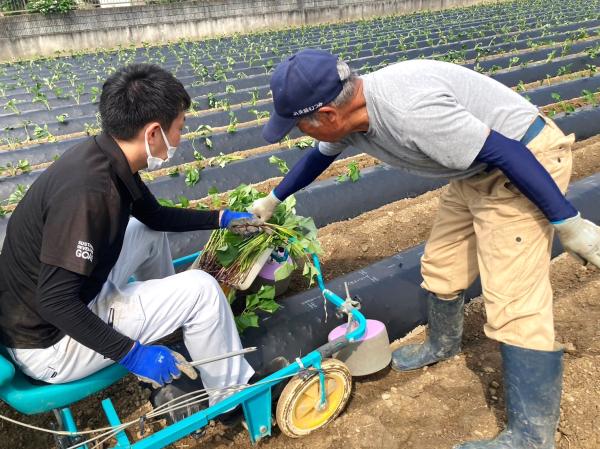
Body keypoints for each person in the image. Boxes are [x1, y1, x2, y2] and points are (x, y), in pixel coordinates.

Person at [249, 49, 600, 448]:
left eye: (299, 127)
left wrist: (567, 223)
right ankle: (442, 343)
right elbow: (317, 159)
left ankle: (531, 437)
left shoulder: (410, 111)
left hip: (524, 165)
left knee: (514, 298)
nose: (301, 134)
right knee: (442, 264)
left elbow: (509, 152)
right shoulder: (349, 115)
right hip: (473, 169)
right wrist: (274, 199)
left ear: (328, 115)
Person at [0, 64, 261, 406]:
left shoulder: (104, 155)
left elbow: (155, 216)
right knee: (202, 290)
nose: (181, 138)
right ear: (154, 132)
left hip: (41, 310)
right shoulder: (91, 195)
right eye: (180, 127)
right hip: (48, 345)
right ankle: (232, 397)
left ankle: (176, 324)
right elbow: (56, 302)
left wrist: (222, 218)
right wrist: (131, 354)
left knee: (146, 230)